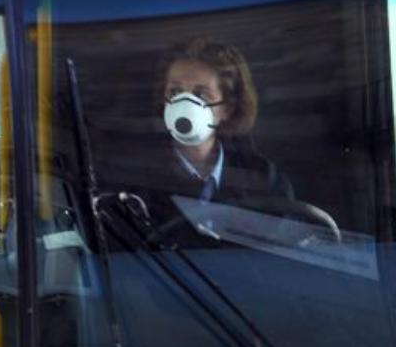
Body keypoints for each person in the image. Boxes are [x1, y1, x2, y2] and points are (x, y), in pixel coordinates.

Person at [112, 37, 295, 247]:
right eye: (175, 92)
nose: (185, 104)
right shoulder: (133, 179)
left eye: (201, 94)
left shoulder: (264, 181)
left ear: (228, 107)